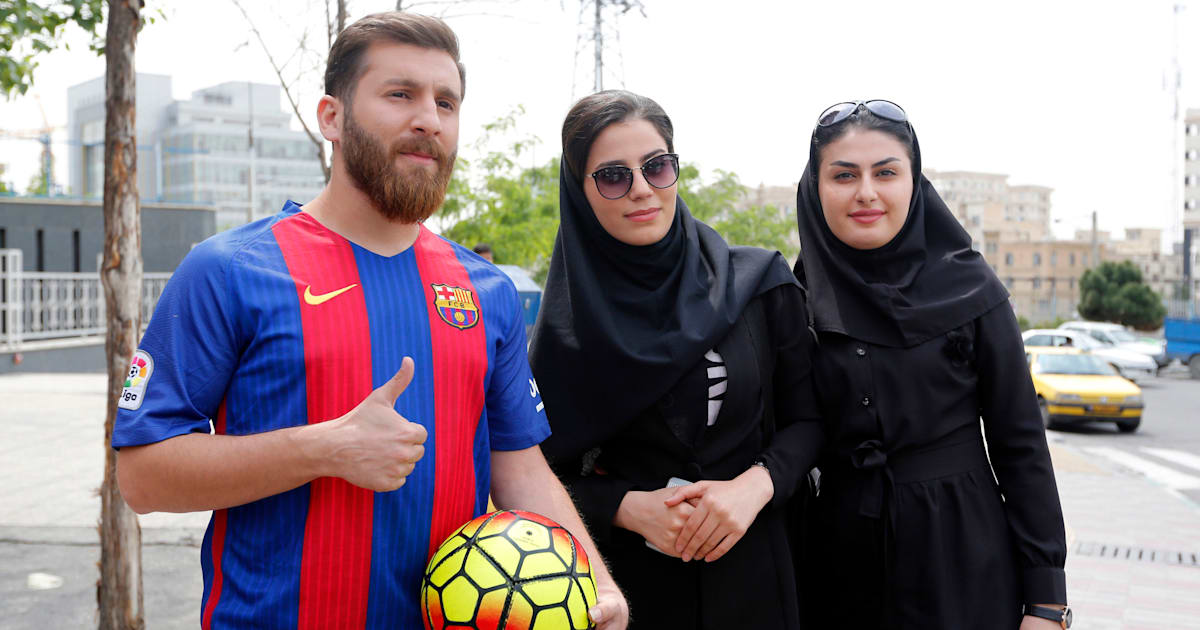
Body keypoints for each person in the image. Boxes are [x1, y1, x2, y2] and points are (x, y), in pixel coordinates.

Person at [113, 13, 628, 630]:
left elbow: (519, 467)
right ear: (331, 117)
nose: (428, 120)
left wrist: (597, 583)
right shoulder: (228, 270)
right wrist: (321, 448)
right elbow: (143, 477)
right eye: (400, 94)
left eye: (446, 102)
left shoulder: (484, 291)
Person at [529, 90, 824, 630]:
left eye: (657, 167)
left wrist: (753, 486)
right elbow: (534, 475)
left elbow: (810, 420)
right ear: (580, 193)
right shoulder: (565, 334)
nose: (642, 190)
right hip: (631, 592)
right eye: (614, 176)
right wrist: (624, 507)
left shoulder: (758, 284)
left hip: (756, 581)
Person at [792, 100, 1070, 630]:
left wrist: (1046, 603)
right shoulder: (793, 299)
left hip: (961, 552)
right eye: (844, 175)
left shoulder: (973, 290)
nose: (866, 192)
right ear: (815, 187)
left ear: (914, 183)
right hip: (836, 561)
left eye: (887, 172)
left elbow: (1020, 443)